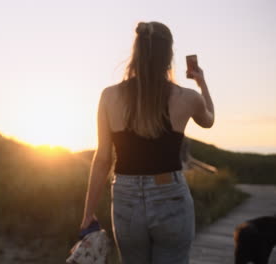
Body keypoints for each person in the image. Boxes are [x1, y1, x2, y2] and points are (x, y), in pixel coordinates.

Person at [80, 21, 214, 264]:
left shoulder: (109, 96)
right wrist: (201, 82)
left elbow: (102, 160)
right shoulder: (188, 98)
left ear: (136, 52)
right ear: (169, 56)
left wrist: (88, 214)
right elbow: (209, 120)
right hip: (171, 195)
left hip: (125, 198)